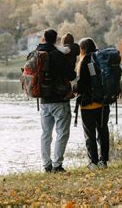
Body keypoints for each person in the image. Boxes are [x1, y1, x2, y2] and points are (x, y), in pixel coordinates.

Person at [36, 29, 76, 173]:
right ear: (55, 39)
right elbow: (70, 76)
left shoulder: (37, 53)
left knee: (46, 133)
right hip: (60, 100)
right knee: (62, 133)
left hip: (44, 101)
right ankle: (57, 165)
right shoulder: (58, 55)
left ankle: (46, 165)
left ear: (44, 38)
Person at [74, 37, 110, 170]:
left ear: (82, 49)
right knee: (103, 132)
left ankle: (93, 162)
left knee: (90, 135)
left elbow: (81, 85)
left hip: (89, 105)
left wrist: (73, 89)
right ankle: (104, 161)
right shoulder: (100, 60)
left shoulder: (85, 62)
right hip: (103, 104)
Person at [56, 33, 80, 100]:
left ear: (63, 41)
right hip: (72, 69)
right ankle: (72, 91)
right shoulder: (75, 48)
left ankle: (70, 92)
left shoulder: (67, 49)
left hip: (67, 70)